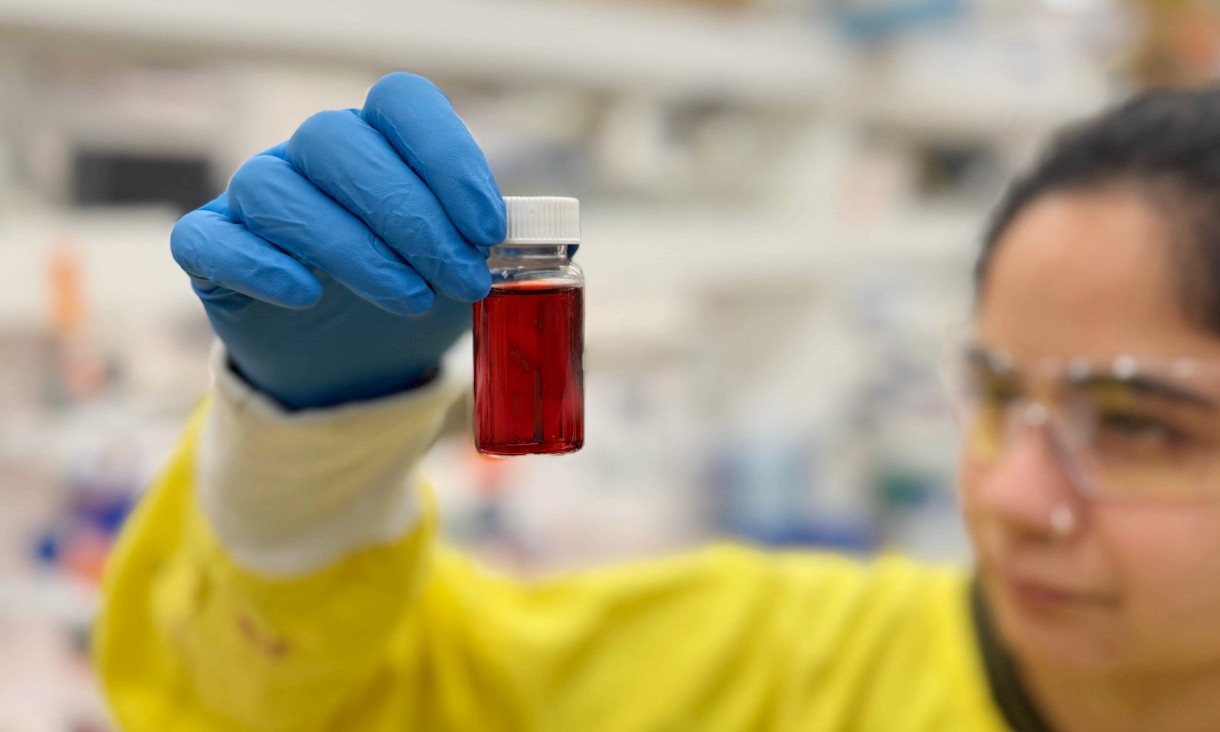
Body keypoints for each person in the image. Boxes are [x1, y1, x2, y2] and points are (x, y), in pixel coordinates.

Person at [92, 73, 1220, 731]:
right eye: (992, 393)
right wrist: (304, 448)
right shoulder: (775, 667)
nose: (1016, 497)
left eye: (1135, 424)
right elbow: (302, 706)